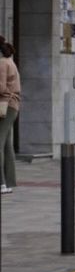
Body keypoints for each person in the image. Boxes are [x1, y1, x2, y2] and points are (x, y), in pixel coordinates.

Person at [0, 38, 20, 194]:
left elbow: (1, 86)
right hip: (12, 105)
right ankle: (8, 182)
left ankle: (1, 183)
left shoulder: (2, 63)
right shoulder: (10, 62)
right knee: (7, 144)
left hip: (4, 105)